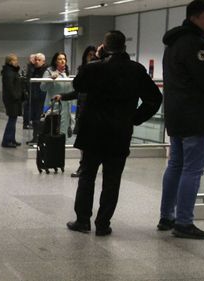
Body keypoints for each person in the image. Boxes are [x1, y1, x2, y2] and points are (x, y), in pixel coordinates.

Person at [67, 30, 162, 236]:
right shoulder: (136, 70)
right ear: (124, 47)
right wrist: (134, 118)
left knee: (87, 176)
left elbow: (78, 84)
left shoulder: (94, 68)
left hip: (92, 132)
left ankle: (82, 220)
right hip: (119, 132)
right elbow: (155, 99)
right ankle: (103, 224)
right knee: (112, 180)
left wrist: (97, 60)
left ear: (104, 46)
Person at [158, 0, 204, 239]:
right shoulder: (195, 44)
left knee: (176, 165)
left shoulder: (173, 43)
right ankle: (184, 222)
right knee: (193, 170)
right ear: (194, 18)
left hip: (177, 114)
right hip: (196, 115)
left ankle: (166, 216)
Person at [53, 46, 97, 177]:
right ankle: (83, 165)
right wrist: (63, 96)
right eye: (89, 55)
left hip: (96, 111)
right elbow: (78, 92)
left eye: (94, 55)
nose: (92, 57)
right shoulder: (82, 72)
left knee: (93, 142)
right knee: (84, 142)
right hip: (85, 110)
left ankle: (88, 165)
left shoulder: (100, 71)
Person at [40, 52, 74, 137]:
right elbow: (42, 87)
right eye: (60, 59)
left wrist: (73, 109)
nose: (63, 61)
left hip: (66, 108)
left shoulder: (67, 73)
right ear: (55, 61)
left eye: (64, 59)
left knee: (63, 133)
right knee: (52, 132)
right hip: (53, 107)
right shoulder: (49, 71)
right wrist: (51, 80)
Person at [1, 53, 24, 148]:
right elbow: (10, 87)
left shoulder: (12, 71)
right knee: (11, 119)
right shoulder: (9, 72)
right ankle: (6, 140)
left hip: (14, 99)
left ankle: (11, 139)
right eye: (14, 60)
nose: (16, 62)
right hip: (11, 99)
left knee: (13, 119)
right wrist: (16, 96)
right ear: (10, 62)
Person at [26, 53, 48, 145]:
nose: (37, 62)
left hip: (42, 99)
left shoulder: (46, 71)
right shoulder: (33, 70)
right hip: (34, 98)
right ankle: (35, 137)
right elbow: (28, 79)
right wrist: (31, 65)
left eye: (39, 60)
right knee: (35, 120)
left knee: (40, 120)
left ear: (43, 61)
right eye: (36, 60)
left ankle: (40, 138)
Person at [22, 53, 36, 129]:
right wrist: (27, 91)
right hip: (29, 91)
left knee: (28, 108)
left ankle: (27, 123)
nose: (35, 60)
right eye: (34, 59)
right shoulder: (30, 68)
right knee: (27, 108)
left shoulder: (29, 67)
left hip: (29, 90)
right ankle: (26, 123)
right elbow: (27, 81)